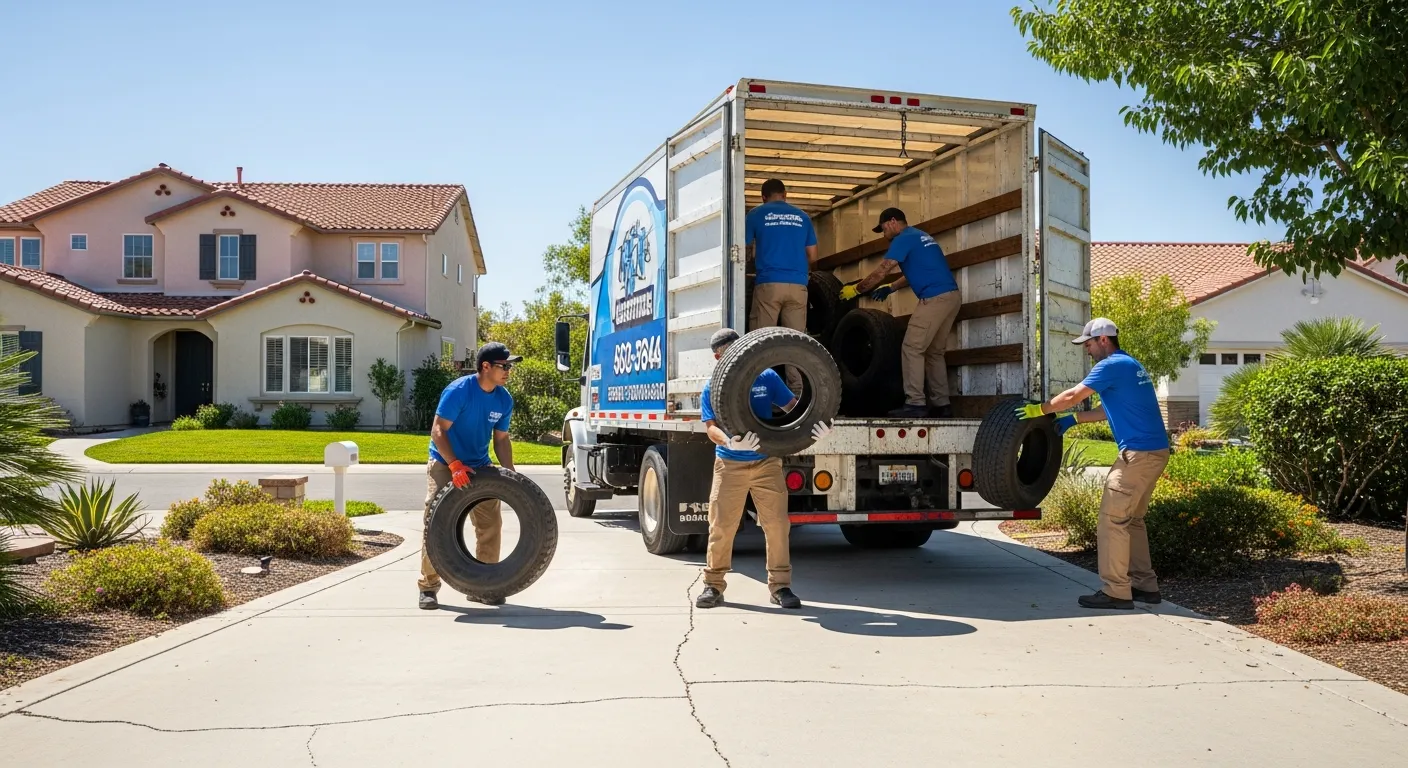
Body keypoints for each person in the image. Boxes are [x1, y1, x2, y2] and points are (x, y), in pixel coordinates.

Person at [1016, 317, 1170, 610]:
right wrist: (1075, 419)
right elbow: (1108, 408)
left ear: (1103, 340)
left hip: (1137, 456)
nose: (1086, 350)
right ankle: (1144, 586)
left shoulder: (1109, 366)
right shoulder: (1130, 364)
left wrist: (1042, 409)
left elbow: (1074, 395)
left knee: (1112, 521)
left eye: (1088, 344)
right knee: (1133, 520)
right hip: (1155, 453)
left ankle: (1116, 592)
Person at [695, 328, 831, 611]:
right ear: (718, 357)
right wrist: (731, 441)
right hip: (729, 463)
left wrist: (816, 427)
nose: (737, 356)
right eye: (728, 352)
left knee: (778, 525)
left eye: (740, 348)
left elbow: (795, 407)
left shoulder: (767, 378)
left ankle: (780, 587)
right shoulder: (712, 387)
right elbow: (710, 428)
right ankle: (713, 585)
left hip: (766, 461)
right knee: (722, 525)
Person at [418, 342, 520, 610]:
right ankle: (428, 587)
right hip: (445, 462)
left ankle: (483, 586)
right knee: (436, 521)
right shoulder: (459, 391)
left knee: (490, 524)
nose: (508, 371)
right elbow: (438, 430)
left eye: (509, 366)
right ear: (485, 366)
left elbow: (501, 439)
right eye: (504, 366)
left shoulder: (503, 399)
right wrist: (454, 465)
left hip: (480, 464)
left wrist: (510, 473)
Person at [841, 207, 961, 419]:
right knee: (934, 352)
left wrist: (856, 289)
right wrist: (891, 288)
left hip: (934, 298)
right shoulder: (921, 236)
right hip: (951, 297)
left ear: (892, 222)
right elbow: (917, 270)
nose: (884, 234)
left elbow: (882, 270)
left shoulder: (902, 239)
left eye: (883, 229)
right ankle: (942, 405)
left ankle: (915, 403)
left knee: (911, 347)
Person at [745, 178, 818, 393]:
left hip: (769, 284)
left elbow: (745, 249)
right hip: (798, 286)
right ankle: (795, 394)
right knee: (794, 342)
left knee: (761, 340)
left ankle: (762, 391)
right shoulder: (803, 217)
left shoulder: (756, 214)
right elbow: (813, 255)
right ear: (785, 195)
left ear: (763, 197)